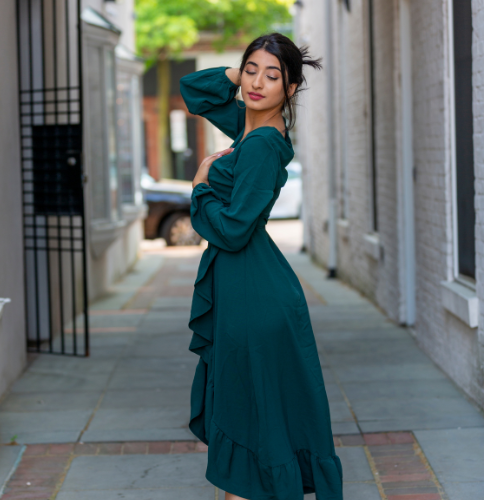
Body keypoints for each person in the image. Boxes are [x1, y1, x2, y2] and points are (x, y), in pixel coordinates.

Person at [179, 32, 343, 500]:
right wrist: (237, 73)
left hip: (254, 296)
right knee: (249, 420)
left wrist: (200, 186)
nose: (256, 83)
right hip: (246, 286)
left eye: (273, 76)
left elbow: (233, 229)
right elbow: (194, 88)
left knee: (248, 420)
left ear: (290, 90)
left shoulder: (262, 144)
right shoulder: (249, 125)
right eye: (251, 70)